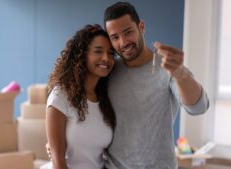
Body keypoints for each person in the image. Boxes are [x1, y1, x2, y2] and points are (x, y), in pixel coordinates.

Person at [103, 2, 209, 169]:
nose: (123, 42)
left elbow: (199, 107)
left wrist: (180, 74)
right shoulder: (108, 70)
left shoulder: (168, 68)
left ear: (141, 26)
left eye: (128, 32)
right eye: (115, 37)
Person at [44, 24, 116, 169]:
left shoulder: (105, 99)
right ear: (82, 55)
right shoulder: (61, 96)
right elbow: (58, 161)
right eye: (98, 51)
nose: (106, 58)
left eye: (110, 53)